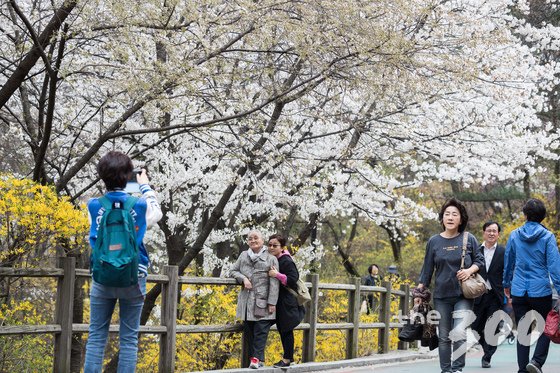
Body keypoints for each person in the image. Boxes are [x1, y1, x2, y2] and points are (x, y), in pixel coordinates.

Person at [84, 151, 162, 373]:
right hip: (133, 275)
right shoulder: (138, 205)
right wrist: (144, 186)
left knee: (96, 336)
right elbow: (157, 214)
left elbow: (95, 235)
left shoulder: (93, 205)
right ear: (129, 175)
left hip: (103, 274)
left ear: (102, 176)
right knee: (129, 339)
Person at [416, 198, 484, 373]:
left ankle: (458, 369)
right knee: (444, 336)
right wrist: (419, 292)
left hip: (463, 295)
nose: (451, 217)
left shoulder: (469, 239)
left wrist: (469, 271)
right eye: (447, 214)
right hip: (441, 296)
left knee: (459, 333)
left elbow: (479, 261)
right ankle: (446, 370)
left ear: (461, 219)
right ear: (442, 218)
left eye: (455, 214)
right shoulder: (434, 241)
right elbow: (427, 270)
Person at [503, 198, 560, 373]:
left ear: (525, 215)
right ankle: (536, 362)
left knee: (523, 330)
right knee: (546, 326)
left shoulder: (514, 235)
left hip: (519, 289)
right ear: (542, 217)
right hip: (541, 290)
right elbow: (554, 267)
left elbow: (509, 262)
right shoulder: (548, 237)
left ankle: (522, 370)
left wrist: (506, 284)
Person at [230, 230, 279, 369]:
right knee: (250, 332)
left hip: (263, 300)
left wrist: (272, 302)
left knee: (261, 331)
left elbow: (274, 283)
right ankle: (258, 361)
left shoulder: (271, 258)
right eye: (250, 238)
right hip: (247, 302)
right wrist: (243, 278)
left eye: (255, 238)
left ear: (262, 240)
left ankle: (256, 360)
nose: (253, 240)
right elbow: (233, 270)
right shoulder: (244, 255)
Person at [267, 234, 305, 367]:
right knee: (282, 329)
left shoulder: (286, 261)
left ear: (282, 247)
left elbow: (292, 279)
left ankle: (287, 359)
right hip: (280, 300)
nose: (271, 247)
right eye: (270, 245)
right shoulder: (274, 259)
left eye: (275, 245)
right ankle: (289, 358)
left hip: (287, 301)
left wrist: (276, 275)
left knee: (286, 329)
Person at [470, 221, 505, 369]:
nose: (491, 233)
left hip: (495, 295)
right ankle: (486, 346)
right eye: (489, 231)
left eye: (494, 231)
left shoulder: (503, 252)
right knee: (475, 326)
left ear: (498, 234)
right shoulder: (476, 251)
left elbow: (508, 271)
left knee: (493, 327)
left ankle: (487, 357)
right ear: (484, 233)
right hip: (479, 293)